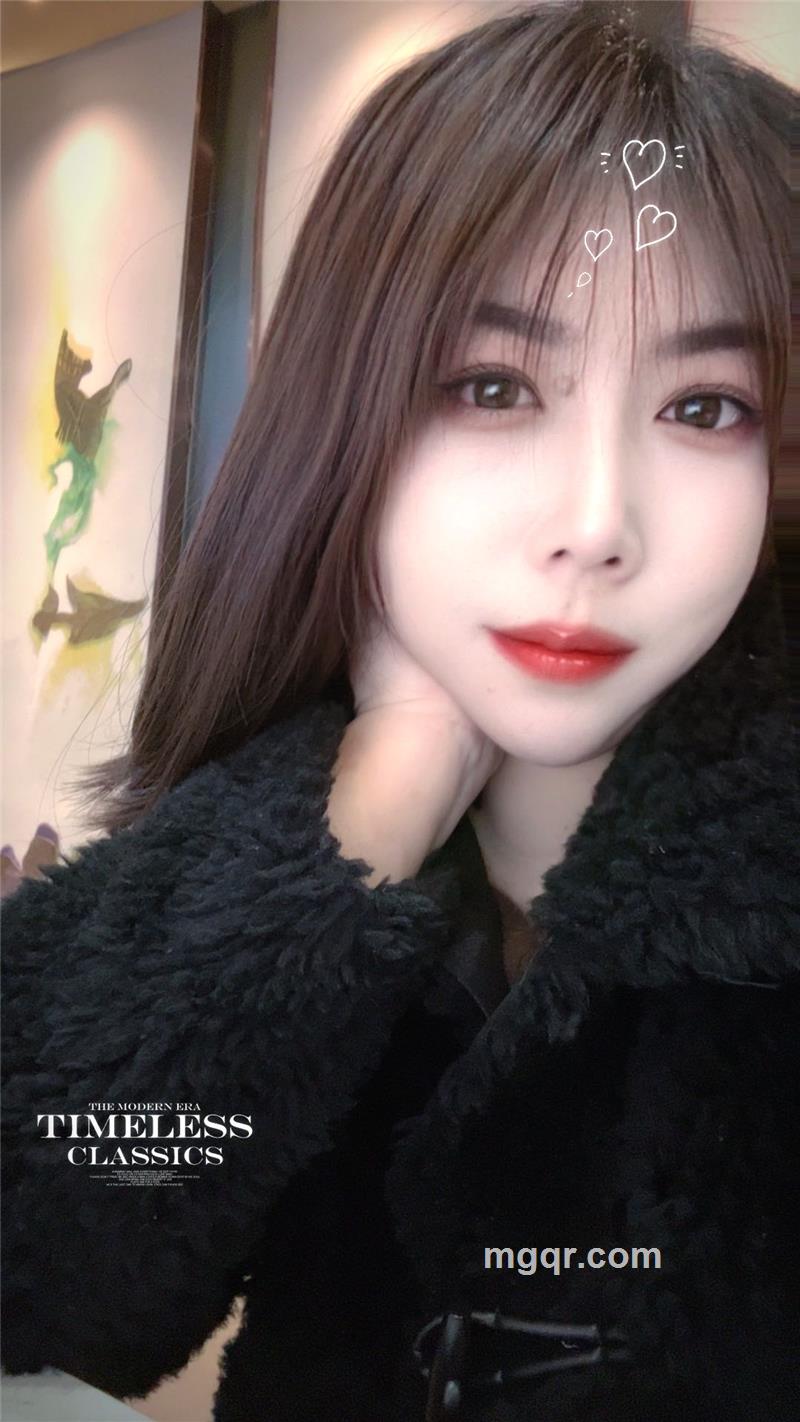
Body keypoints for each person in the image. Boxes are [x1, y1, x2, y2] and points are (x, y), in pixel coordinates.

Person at [2, 3, 798, 1419]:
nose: (596, 523)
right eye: (494, 387)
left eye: (704, 409)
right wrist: (367, 819)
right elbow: (48, 1267)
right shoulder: (254, 839)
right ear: (345, 415)